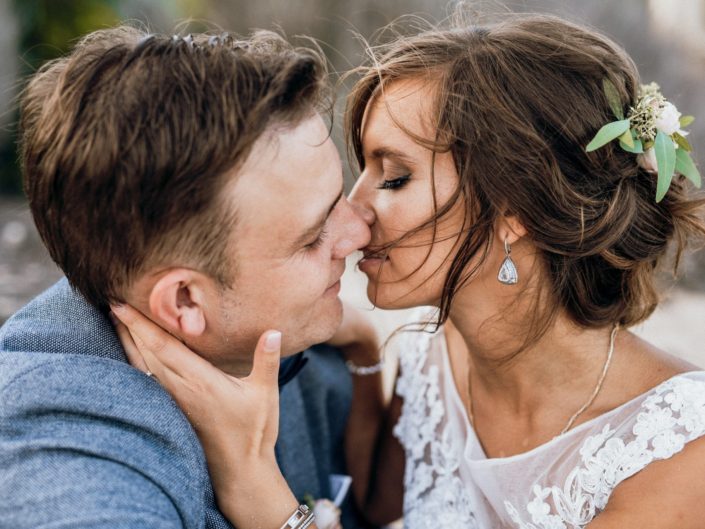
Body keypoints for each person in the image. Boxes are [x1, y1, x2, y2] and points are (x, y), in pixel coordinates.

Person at [115, 13, 705, 529]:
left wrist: (257, 488)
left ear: (514, 210)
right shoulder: (443, 345)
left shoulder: (681, 457)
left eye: (394, 177)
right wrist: (364, 352)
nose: (351, 214)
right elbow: (378, 503)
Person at [0, 26, 376, 529]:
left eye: (341, 198)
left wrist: (365, 350)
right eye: (313, 236)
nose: (359, 231)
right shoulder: (71, 457)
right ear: (185, 302)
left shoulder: (301, 345)